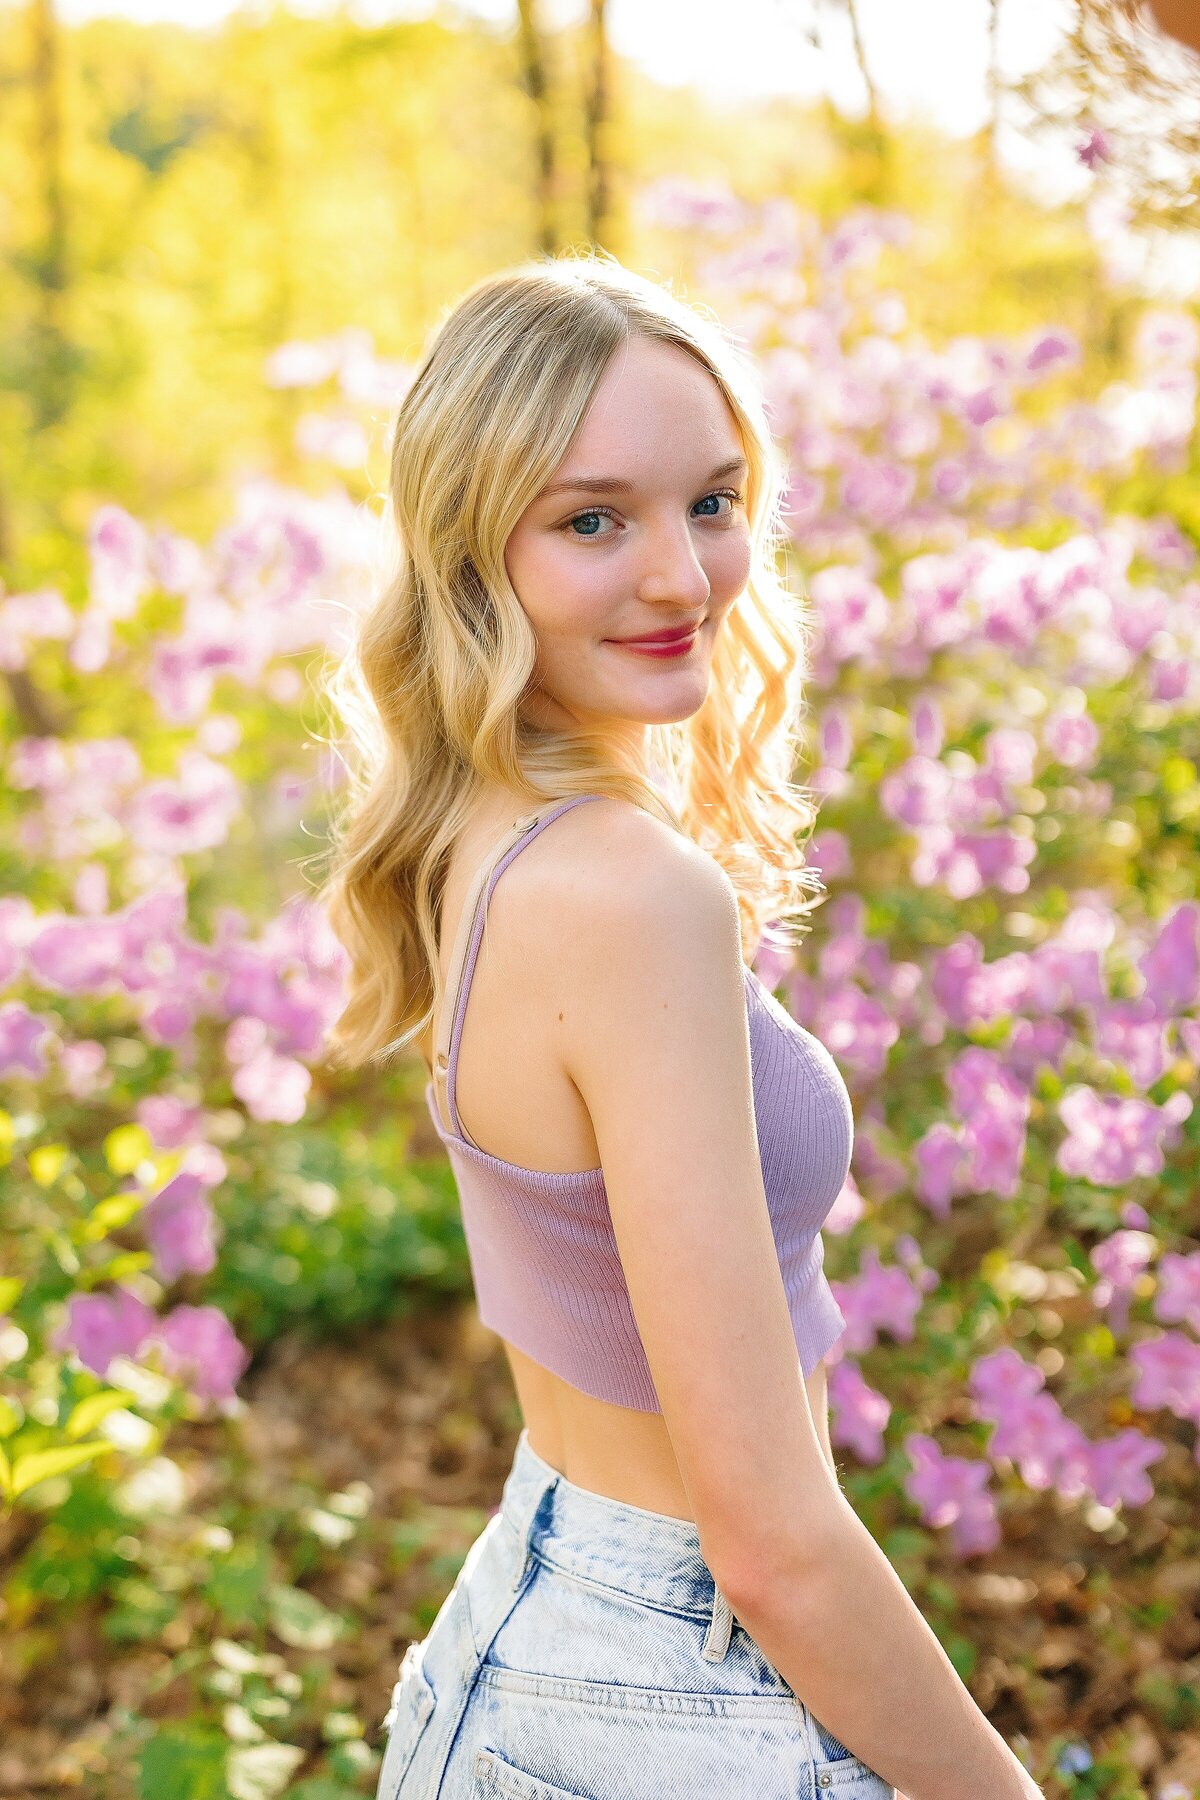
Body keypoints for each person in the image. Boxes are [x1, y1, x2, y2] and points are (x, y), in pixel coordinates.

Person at [318, 253, 1044, 1800]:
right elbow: (769, 1541)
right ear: (472, 552)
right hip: (666, 1697)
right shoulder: (625, 892)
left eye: (712, 502)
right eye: (593, 520)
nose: (681, 575)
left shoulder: (489, 831)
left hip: (543, 1629)